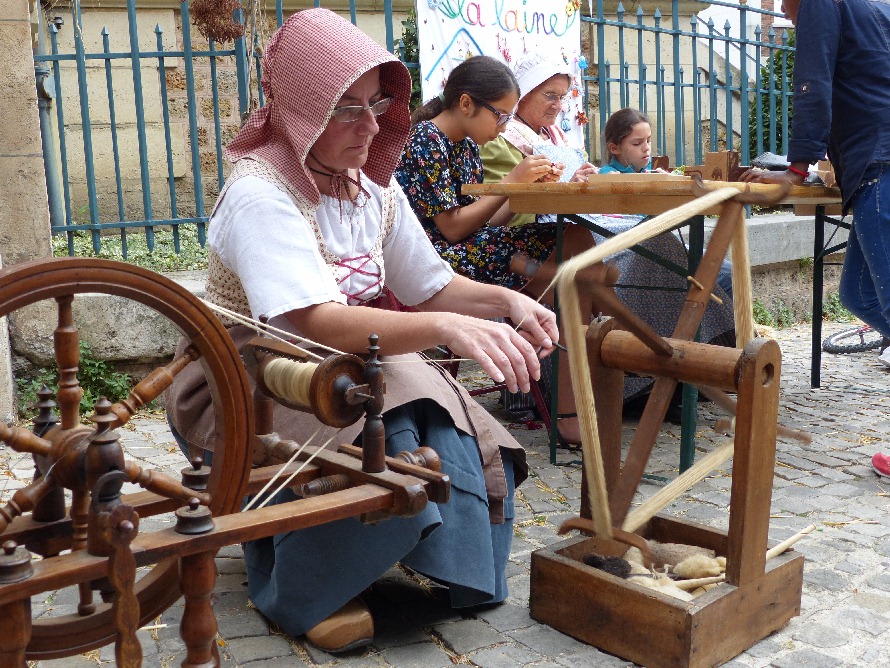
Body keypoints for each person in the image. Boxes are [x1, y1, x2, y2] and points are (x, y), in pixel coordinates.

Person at [165, 8, 560, 654]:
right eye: (347, 109)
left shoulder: (371, 190)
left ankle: (435, 558)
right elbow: (310, 321)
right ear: (301, 109)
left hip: (352, 358)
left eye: (375, 105)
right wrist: (444, 328)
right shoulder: (259, 192)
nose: (371, 125)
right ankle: (316, 584)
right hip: (253, 373)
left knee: (440, 410)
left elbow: (430, 284)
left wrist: (505, 303)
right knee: (382, 409)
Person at [481, 63, 735, 406]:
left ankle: (677, 371)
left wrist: (580, 179)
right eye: (549, 95)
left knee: (676, 252)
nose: (558, 104)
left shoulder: (553, 138)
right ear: (523, 95)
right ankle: (643, 377)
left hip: (581, 225)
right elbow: (512, 212)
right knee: (652, 250)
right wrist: (560, 187)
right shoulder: (501, 141)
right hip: (546, 236)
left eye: (562, 96)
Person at [394, 55, 601, 445]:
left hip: (471, 246)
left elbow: (488, 221)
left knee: (573, 240)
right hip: (432, 260)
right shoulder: (426, 140)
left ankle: (567, 375)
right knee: (572, 275)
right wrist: (510, 183)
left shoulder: (468, 145)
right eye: (501, 116)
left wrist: (528, 191)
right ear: (467, 103)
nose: (505, 126)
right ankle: (569, 400)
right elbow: (452, 229)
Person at [739, 0, 890, 478]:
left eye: (782, 6)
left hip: (880, 165)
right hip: (874, 164)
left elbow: (813, 86)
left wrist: (798, 166)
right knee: (858, 294)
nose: (780, 12)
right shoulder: (873, 8)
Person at [598, 107, 666, 174]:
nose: (647, 148)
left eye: (648, 141)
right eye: (637, 143)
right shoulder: (607, 175)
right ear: (614, 148)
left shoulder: (655, 168)